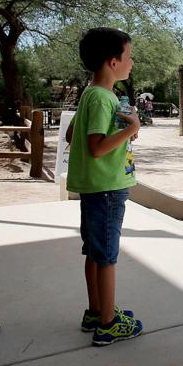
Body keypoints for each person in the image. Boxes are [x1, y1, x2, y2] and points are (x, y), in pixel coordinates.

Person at [65, 28, 144, 346]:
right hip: (107, 189)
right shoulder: (103, 98)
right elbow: (96, 147)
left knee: (95, 252)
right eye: (129, 57)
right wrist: (131, 129)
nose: (132, 63)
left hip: (94, 188)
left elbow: (72, 135)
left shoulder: (91, 93)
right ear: (113, 62)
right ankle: (109, 324)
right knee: (108, 256)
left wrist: (120, 128)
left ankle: (96, 311)